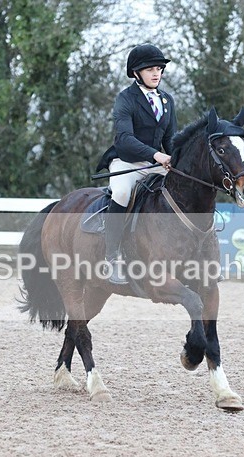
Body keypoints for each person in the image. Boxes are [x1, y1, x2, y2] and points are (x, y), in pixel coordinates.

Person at [96, 43, 178, 284]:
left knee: (184, 189)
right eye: (150, 69)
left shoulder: (166, 100)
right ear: (136, 73)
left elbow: (170, 139)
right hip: (126, 162)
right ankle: (110, 259)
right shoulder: (126, 99)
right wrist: (157, 155)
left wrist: (177, 161)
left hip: (156, 163)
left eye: (159, 69)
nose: (156, 74)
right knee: (121, 192)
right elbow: (125, 139)